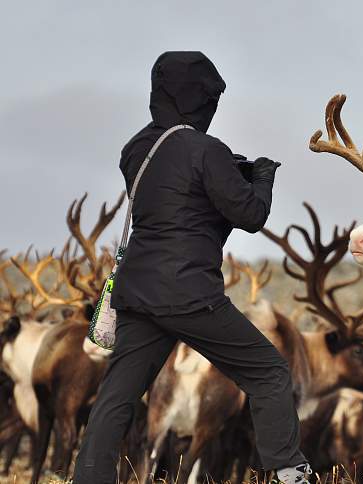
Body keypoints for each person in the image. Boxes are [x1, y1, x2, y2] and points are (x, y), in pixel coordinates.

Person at [72, 51, 310, 484]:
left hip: (138, 293)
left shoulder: (137, 148)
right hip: (188, 293)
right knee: (269, 372)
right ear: (201, 99)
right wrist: (261, 175)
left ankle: (88, 478)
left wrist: (225, 173)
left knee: (117, 395)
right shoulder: (206, 150)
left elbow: (177, 202)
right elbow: (251, 215)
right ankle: (289, 472)